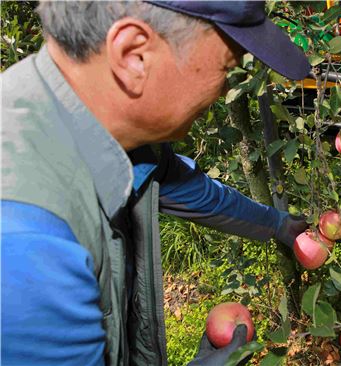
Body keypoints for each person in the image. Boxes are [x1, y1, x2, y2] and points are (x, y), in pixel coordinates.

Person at [1, 1, 311, 365]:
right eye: (226, 67)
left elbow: (197, 192)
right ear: (134, 55)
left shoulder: (108, 133)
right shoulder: (29, 248)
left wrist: (279, 225)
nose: (223, 87)